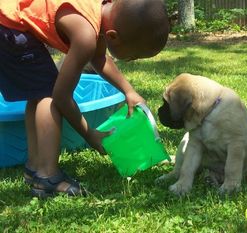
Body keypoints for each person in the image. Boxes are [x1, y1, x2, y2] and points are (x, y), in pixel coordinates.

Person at [0, 0, 170, 198]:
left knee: (38, 93)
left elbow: (98, 58)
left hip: (8, 21)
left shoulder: (97, 12)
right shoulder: (86, 35)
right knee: (48, 94)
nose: (130, 61)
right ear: (113, 37)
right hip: (9, 26)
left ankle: (35, 166)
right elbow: (61, 97)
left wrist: (128, 91)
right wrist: (89, 134)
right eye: (132, 57)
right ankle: (47, 177)